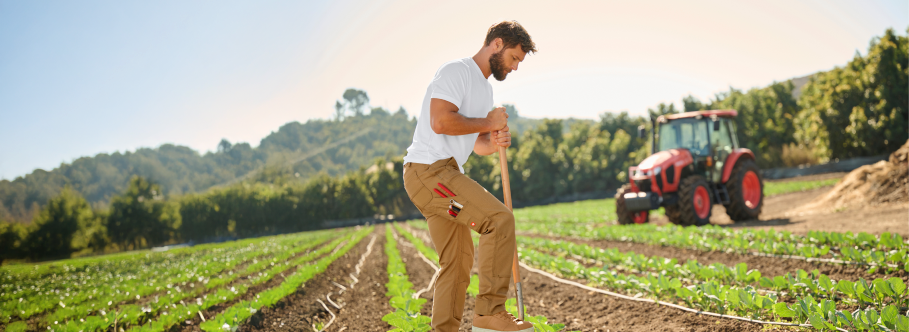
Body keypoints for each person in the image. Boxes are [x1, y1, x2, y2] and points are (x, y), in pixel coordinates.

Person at [401, 20, 536, 332]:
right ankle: (490, 313)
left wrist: (493, 140)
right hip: (430, 173)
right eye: (514, 58)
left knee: (459, 262)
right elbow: (440, 122)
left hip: (441, 185)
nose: (515, 68)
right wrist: (487, 121)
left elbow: (474, 143)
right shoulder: (457, 71)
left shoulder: (484, 89)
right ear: (497, 44)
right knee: (499, 220)